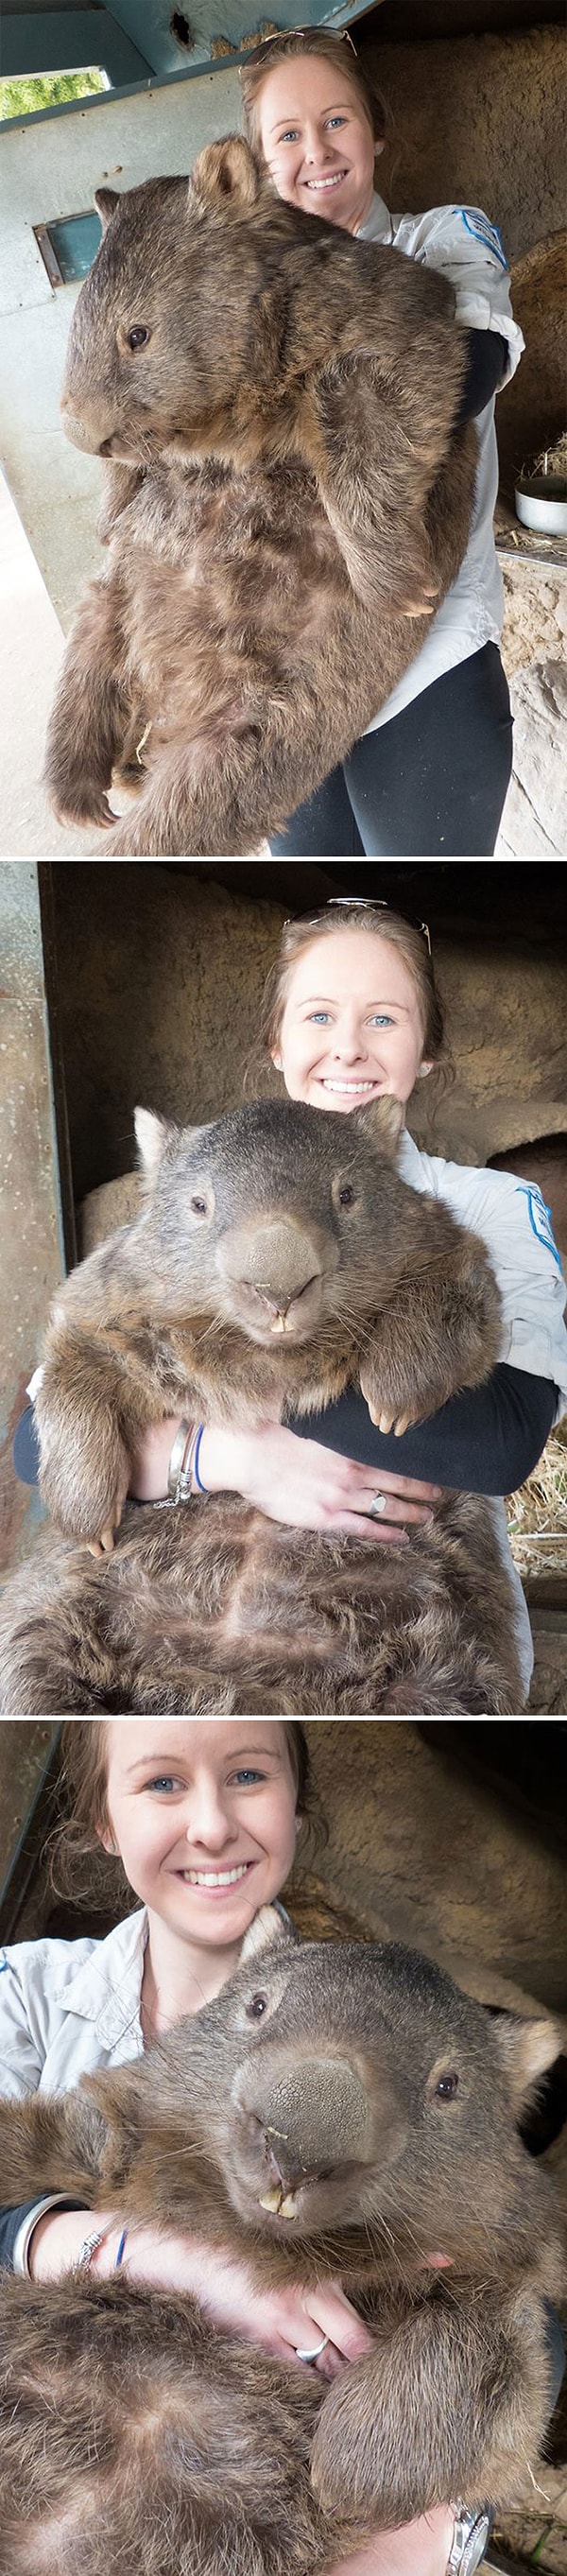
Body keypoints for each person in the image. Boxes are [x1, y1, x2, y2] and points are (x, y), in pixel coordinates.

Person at [14, 896, 567, 1696]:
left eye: (384, 1019)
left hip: (392, 1637)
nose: (347, 1045)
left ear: (428, 1049)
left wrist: (230, 1392)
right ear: (276, 1041)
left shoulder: (486, 1204)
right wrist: (228, 1456)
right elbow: (49, 1436)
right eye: (318, 1015)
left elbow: (503, 1444)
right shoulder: (190, 1176)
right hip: (132, 1626)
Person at [1, 1713, 463, 2576]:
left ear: (297, 1801)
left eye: (250, 1774)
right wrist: (136, 2250)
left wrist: (432, 2526)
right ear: (104, 1816)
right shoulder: (23, 1996)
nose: (210, 1823)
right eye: (161, 1781)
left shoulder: (400, 2022)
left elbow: (501, 2309)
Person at [235, 26, 523, 858]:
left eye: (337, 122)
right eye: (287, 134)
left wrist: (277, 435)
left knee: (410, 896)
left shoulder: (443, 239)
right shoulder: (248, 295)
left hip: (425, 667)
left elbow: (472, 363)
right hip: (285, 683)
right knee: (318, 898)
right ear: (258, 164)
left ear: (376, 132)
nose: (316, 151)